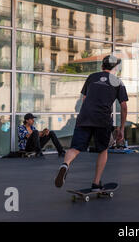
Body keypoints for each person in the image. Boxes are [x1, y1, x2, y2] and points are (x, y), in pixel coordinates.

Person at [54, 55, 128, 191]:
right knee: (103, 149)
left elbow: (84, 99)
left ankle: (65, 164)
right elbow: (123, 106)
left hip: (85, 117)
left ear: (102, 66)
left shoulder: (91, 77)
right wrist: (122, 128)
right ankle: (96, 183)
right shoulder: (117, 81)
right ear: (115, 68)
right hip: (102, 119)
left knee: (75, 148)